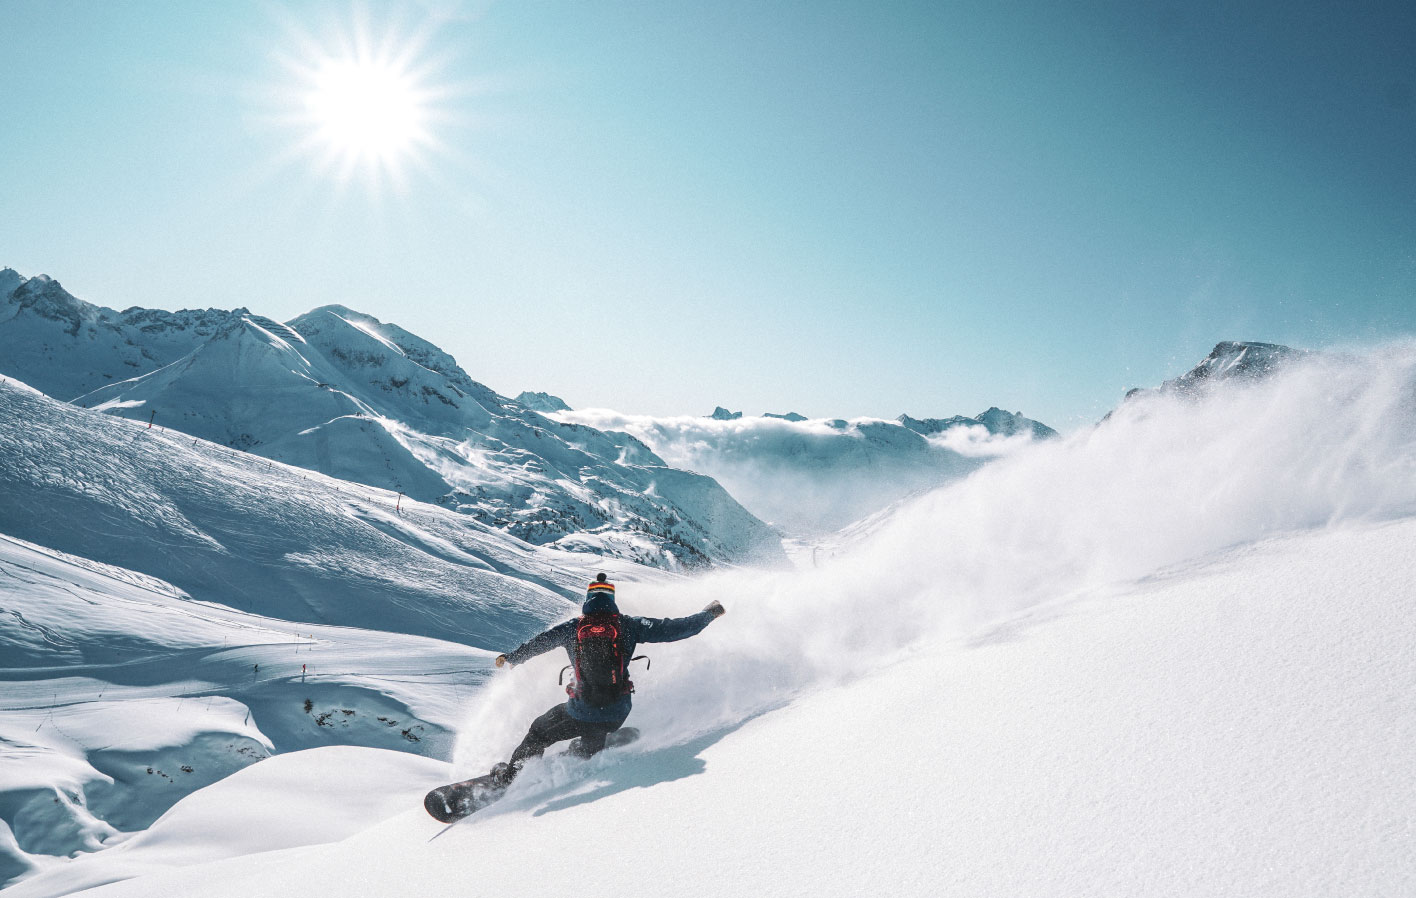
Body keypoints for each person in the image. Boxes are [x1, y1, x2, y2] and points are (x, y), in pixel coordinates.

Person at [486, 573, 725, 788]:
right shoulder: (629, 625)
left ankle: (511, 779)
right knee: (593, 730)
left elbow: (539, 643)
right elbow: (677, 629)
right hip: (618, 712)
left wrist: (513, 657)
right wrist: (709, 614)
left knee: (539, 732)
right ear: (612, 599)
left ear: (588, 599)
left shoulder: (572, 628)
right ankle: (590, 747)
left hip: (582, 712)